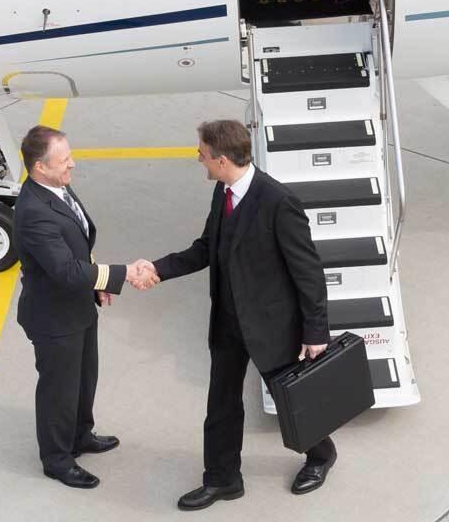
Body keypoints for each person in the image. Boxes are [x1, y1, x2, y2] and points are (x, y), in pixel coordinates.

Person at [130, 119, 336, 511]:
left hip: (271, 326)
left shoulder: (278, 202)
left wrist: (315, 331)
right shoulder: (223, 192)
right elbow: (206, 248)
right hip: (228, 322)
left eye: (202, 154)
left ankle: (321, 454)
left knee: (292, 400)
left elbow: (308, 272)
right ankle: (223, 479)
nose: (199, 159)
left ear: (221, 159)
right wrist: (157, 268)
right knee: (221, 404)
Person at [12, 125, 149, 489]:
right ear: (40, 167)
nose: (72, 164)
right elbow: (66, 270)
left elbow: (79, 246)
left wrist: (98, 283)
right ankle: (57, 459)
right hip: (54, 318)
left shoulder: (57, 187)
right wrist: (121, 273)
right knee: (59, 390)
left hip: (78, 307)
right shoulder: (33, 211)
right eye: (64, 160)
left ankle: (80, 435)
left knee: (85, 379)